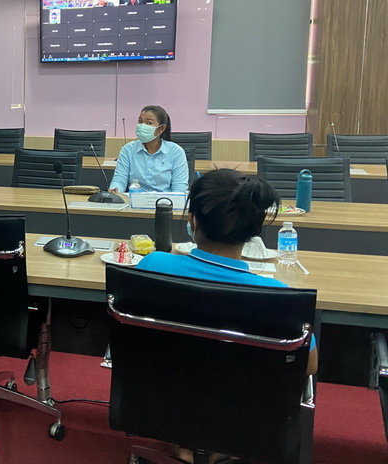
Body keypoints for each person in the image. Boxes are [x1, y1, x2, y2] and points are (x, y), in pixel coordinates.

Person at [135, 169, 317, 462]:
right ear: (254, 231)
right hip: (241, 412)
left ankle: (185, 442)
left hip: (163, 399)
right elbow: (308, 364)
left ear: (192, 221)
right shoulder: (277, 295)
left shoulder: (153, 265)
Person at [109, 105, 189, 193]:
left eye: (149, 123)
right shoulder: (128, 150)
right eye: (140, 121)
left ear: (161, 128)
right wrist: (115, 190)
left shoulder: (176, 152)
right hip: (134, 199)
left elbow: (179, 187)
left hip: (165, 200)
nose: (142, 126)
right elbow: (120, 179)